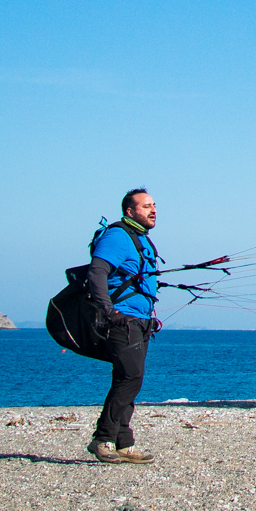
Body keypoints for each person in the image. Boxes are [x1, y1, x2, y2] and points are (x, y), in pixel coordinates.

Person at [86, 188, 161, 464]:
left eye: (154, 205)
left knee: (128, 380)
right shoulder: (118, 236)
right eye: (146, 206)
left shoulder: (140, 240)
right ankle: (102, 438)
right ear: (130, 211)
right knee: (131, 377)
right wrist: (108, 311)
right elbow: (97, 272)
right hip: (122, 321)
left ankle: (123, 442)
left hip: (141, 322)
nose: (153, 210)